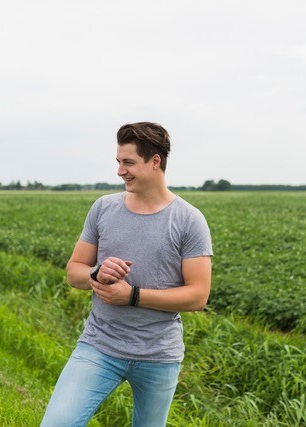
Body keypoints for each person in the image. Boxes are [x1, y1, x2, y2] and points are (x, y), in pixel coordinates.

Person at [41, 122, 213, 427]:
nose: (121, 171)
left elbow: (198, 295)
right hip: (99, 346)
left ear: (155, 161)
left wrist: (131, 296)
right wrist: (96, 273)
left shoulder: (189, 220)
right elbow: (74, 272)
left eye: (129, 162)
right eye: (119, 162)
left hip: (159, 356)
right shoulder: (103, 208)